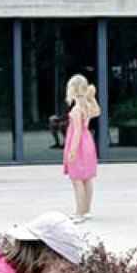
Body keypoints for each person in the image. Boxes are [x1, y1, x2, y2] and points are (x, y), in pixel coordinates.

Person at [62, 75, 100, 223]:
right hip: (88, 144)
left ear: (72, 89)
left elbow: (77, 131)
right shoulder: (87, 106)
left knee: (77, 180)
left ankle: (79, 213)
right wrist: (92, 97)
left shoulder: (77, 109)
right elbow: (98, 112)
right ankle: (86, 210)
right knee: (87, 179)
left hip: (78, 145)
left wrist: (72, 151)